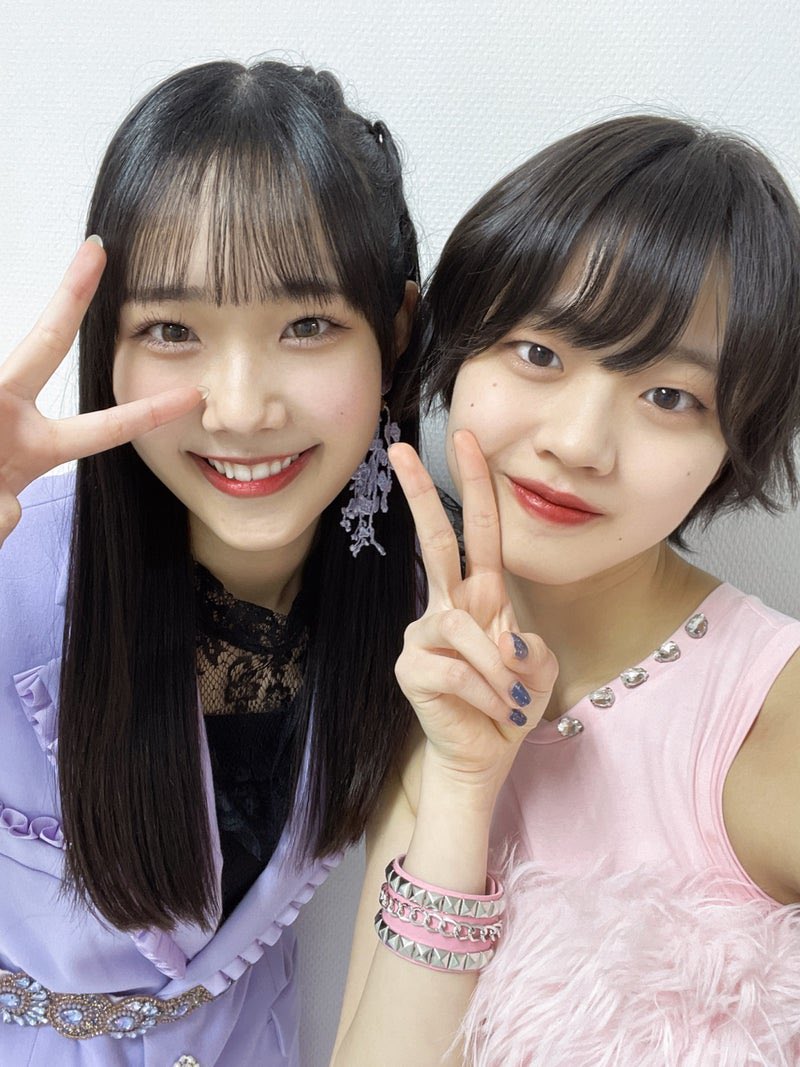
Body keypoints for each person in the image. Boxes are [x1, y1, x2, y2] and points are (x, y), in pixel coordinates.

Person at [334, 115, 800, 1066]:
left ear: (733, 441)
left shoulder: (770, 721)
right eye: (540, 353)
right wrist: (461, 785)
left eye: (670, 396)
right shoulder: (432, 671)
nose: (579, 443)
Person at [0, 58, 421, 1066]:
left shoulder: (424, 593)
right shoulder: (16, 559)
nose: (238, 407)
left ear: (396, 332)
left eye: (307, 325)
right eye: (173, 329)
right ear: (109, 345)